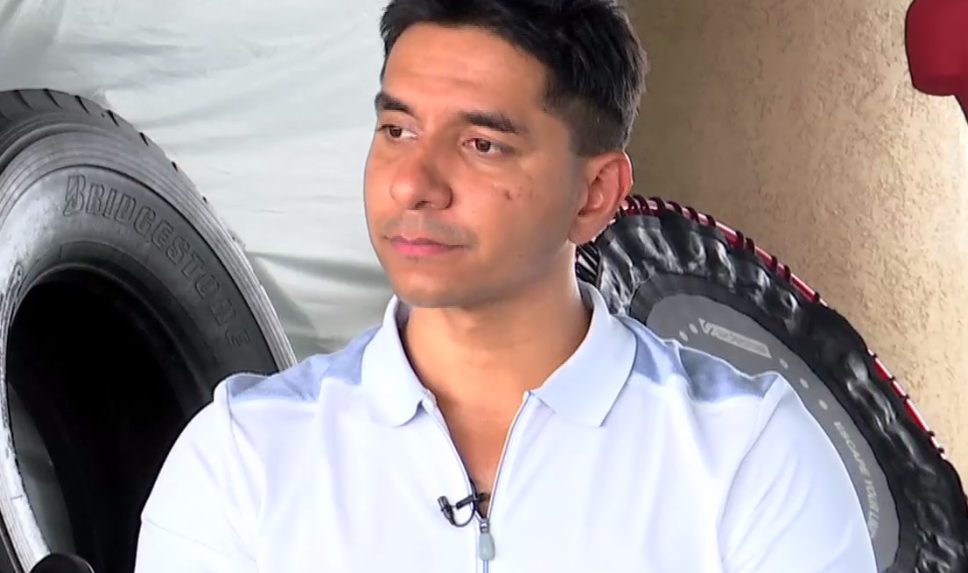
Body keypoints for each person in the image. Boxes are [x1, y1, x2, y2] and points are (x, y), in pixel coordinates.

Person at [134, 0, 876, 571]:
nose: (413, 184)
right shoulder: (244, 455)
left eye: (481, 144)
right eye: (397, 131)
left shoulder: (748, 452)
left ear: (594, 195)